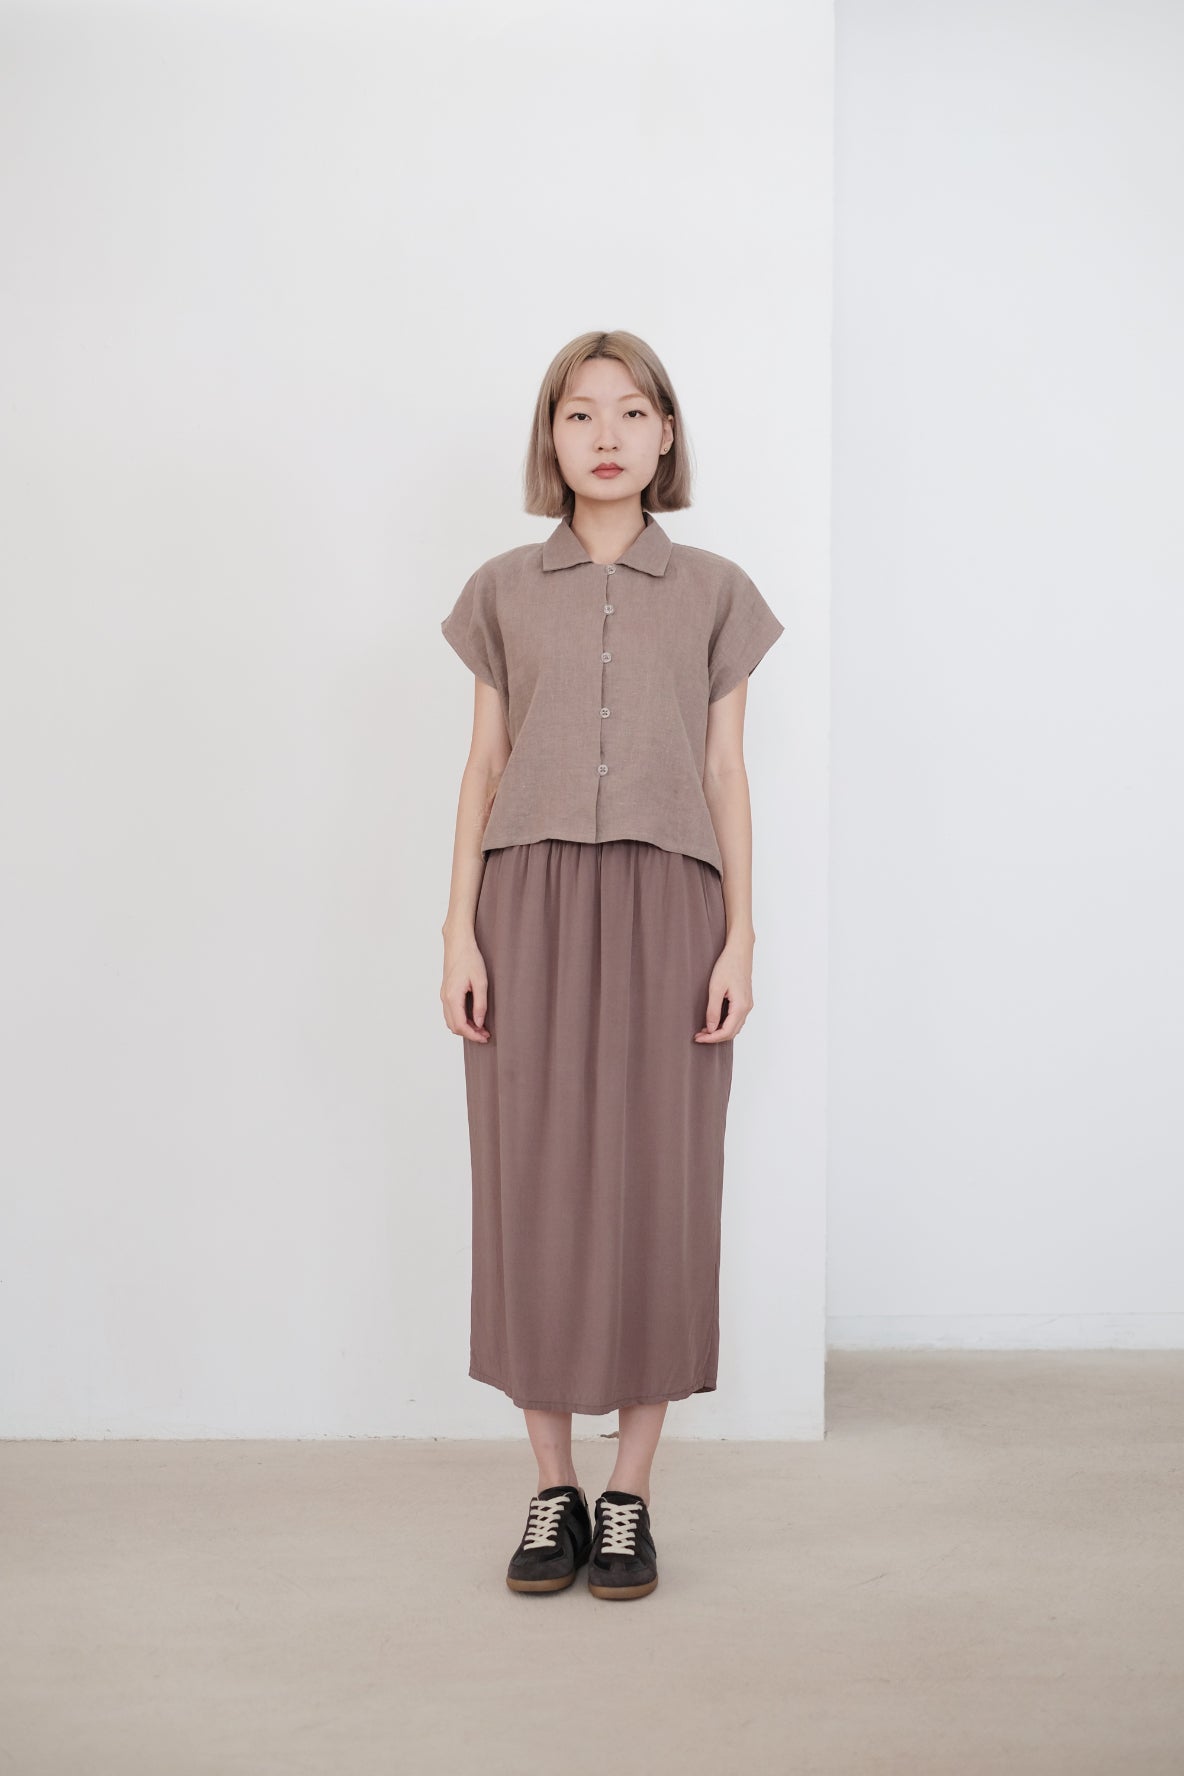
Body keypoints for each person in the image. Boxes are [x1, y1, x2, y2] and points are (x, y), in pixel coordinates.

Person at [439, 330, 784, 1601]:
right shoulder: (500, 589)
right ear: (550, 436)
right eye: (579, 413)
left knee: (659, 1179)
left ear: (665, 435)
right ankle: (552, 1491)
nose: (604, 435)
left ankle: (629, 1493)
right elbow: (483, 766)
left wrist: (739, 934)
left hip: (668, 904)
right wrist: (457, 929)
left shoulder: (715, 591)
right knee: (527, 1179)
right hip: (524, 902)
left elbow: (723, 771)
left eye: (630, 412)